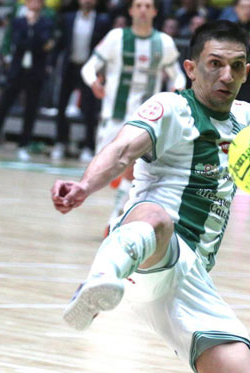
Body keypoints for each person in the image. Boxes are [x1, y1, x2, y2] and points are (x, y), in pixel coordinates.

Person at [50, 20, 250, 373]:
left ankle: (109, 280)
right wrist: (85, 186)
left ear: (246, 71)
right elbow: (123, 149)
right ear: (190, 69)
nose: (226, 75)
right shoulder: (171, 108)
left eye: (236, 66)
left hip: (191, 280)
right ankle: (99, 279)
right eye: (215, 64)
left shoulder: (241, 118)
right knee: (158, 220)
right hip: (148, 251)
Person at [81, 0, 186, 226]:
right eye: (138, 5)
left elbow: (177, 75)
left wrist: (177, 88)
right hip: (114, 115)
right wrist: (93, 83)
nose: (143, 10)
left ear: (155, 11)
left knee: (133, 168)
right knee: (107, 168)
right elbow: (88, 68)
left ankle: (115, 219)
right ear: (130, 10)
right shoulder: (116, 38)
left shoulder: (164, 42)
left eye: (148, 6)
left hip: (145, 119)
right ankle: (118, 196)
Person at [0, 0, 55, 161]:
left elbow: (44, 42)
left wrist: (32, 31)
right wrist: (31, 30)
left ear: (42, 5)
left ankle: (23, 145)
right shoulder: (17, 21)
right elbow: (18, 42)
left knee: (31, 109)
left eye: (38, 2)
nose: (34, 4)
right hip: (16, 71)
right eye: (31, 1)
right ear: (26, 4)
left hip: (35, 72)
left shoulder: (47, 22)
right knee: (3, 106)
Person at [52, 0, 111, 162]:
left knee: (90, 109)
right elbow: (60, 44)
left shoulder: (103, 21)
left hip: (90, 70)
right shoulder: (68, 18)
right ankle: (60, 143)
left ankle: (88, 146)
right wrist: (52, 64)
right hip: (70, 67)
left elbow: (105, 50)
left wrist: (103, 71)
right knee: (61, 106)